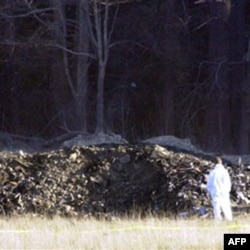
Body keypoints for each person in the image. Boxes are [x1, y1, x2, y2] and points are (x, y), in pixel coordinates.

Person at [206, 156, 233, 221]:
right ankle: (229, 219)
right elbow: (228, 182)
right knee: (226, 206)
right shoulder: (224, 172)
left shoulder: (212, 172)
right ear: (221, 163)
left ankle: (218, 221)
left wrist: (210, 191)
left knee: (216, 208)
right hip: (224, 191)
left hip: (215, 192)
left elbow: (209, 184)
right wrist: (227, 190)